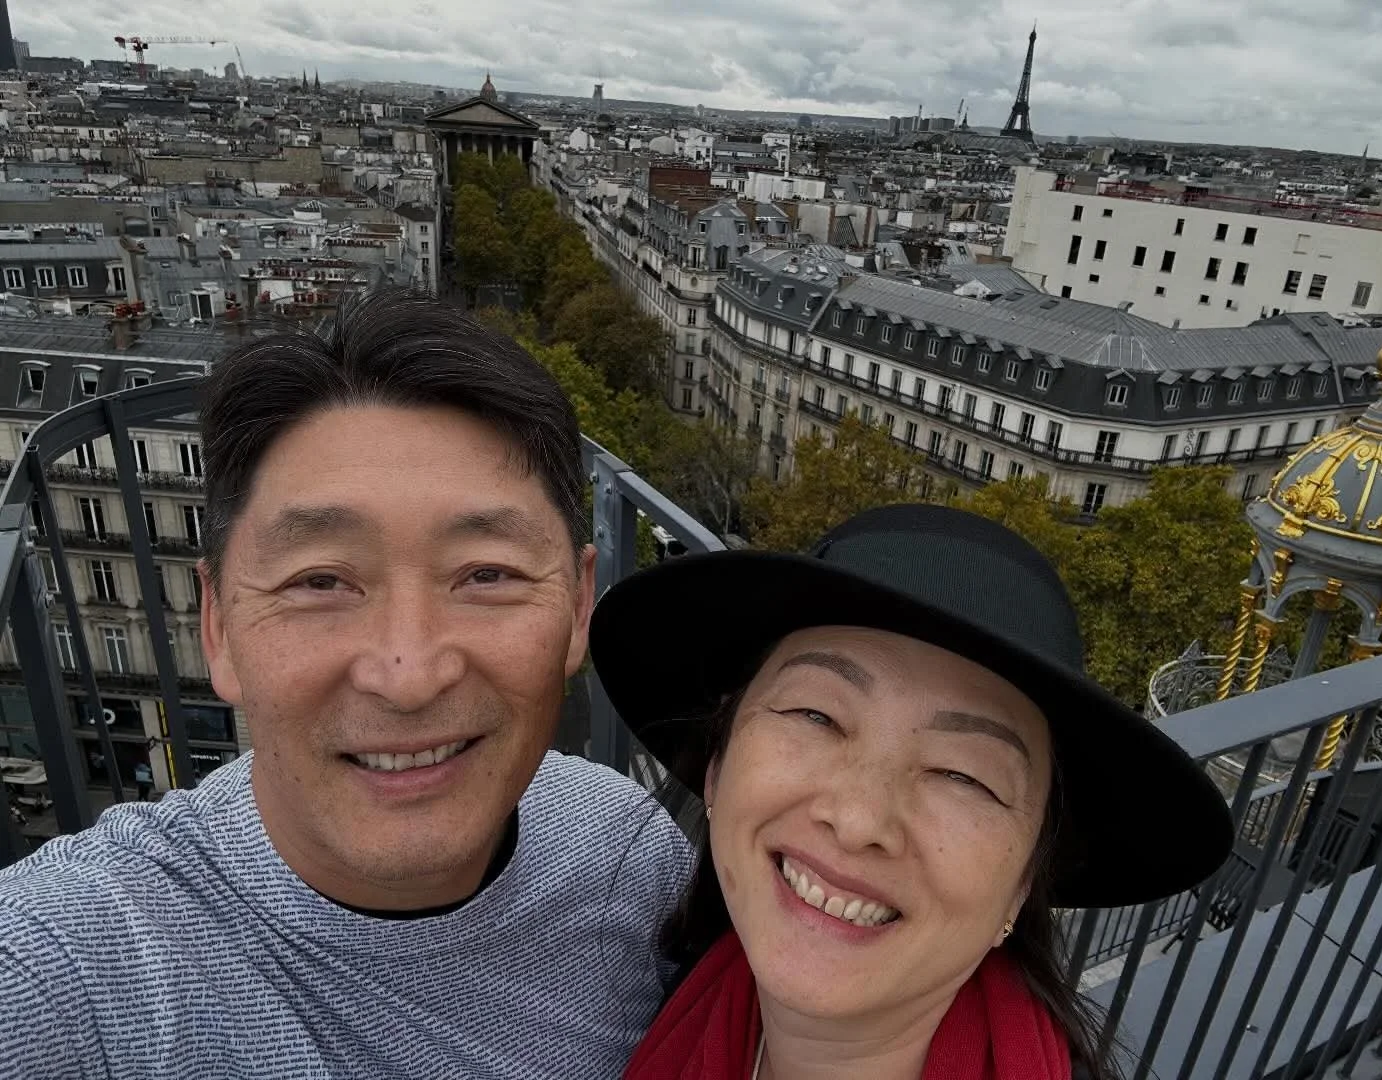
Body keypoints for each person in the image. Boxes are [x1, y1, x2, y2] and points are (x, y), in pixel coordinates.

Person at [0, 288, 690, 1078]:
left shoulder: (629, 847)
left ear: (576, 608)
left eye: (486, 574)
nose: (408, 676)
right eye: (320, 581)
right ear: (219, 627)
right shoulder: (70, 967)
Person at [589, 504, 1235, 1080]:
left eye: (964, 775)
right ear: (717, 766)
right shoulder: (645, 998)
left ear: (1023, 885)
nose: (858, 819)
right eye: (816, 715)